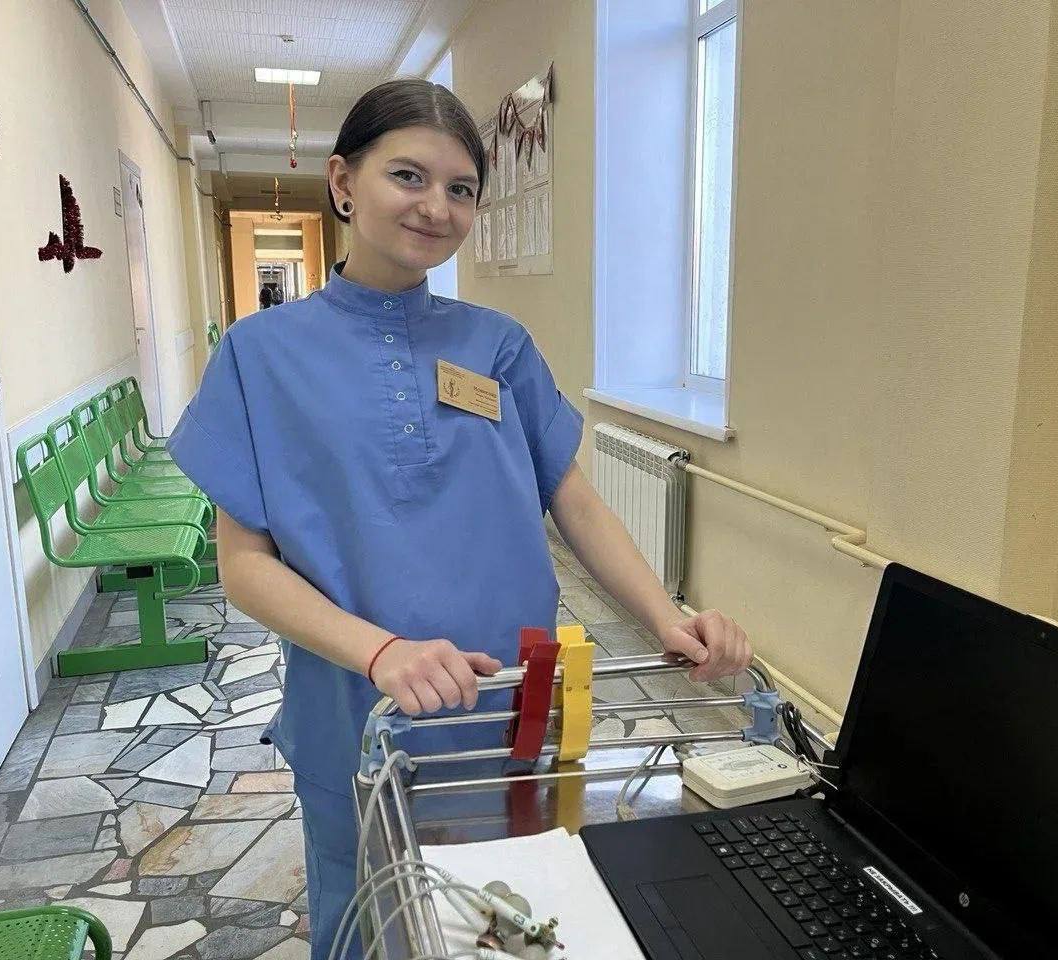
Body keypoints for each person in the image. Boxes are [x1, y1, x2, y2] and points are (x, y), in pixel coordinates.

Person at [167, 78, 753, 960]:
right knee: (367, 912)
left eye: (461, 188)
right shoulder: (261, 354)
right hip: (358, 703)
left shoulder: (497, 344)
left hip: (507, 700)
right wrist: (382, 653)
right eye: (408, 175)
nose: (435, 207)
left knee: (502, 915)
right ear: (343, 182)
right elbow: (244, 566)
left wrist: (667, 618)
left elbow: (573, 498)